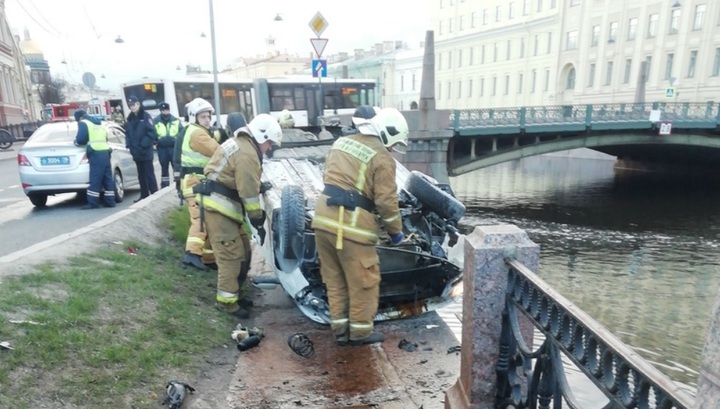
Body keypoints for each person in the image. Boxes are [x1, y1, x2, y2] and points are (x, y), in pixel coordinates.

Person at [311, 107, 409, 346]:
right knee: (363, 282)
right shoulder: (382, 157)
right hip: (351, 227)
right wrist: (396, 233)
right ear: (386, 133)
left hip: (323, 219)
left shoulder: (341, 143)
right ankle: (360, 334)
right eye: (393, 144)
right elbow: (386, 201)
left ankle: (340, 332)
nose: (392, 150)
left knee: (335, 280)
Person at [197, 113, 282, 318]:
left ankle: (235, 294)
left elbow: (241, 180)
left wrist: (257, 185)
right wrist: (257, 218)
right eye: (269, 143)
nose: (269, 148)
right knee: (231, 256)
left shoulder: (243, 145)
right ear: (261, 137)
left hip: (222, 205)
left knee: (244, 251)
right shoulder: (247, 154)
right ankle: (226, 303)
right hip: (218, 207)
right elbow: (248, 193)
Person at [179, 98, 222, 271]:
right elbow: (218, 150)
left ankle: (208, 258)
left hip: (196, 182)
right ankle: (192, 254)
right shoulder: (198, 134)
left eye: (208, 116)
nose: (207, 120)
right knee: (200, 219)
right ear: (194, 117)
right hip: (195, 182)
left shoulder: (196, 131)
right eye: (203, 116)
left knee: (208, 219)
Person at [73, 109, 116, 209]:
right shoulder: (98, 123)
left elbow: (81, 140)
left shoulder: (84, 123)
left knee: (95, 178)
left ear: (79, 118)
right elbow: (105, 138)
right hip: (105, 151)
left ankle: (93, 203)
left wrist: (76, 142)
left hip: (95, 152)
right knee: (107, 178)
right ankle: (110, 201)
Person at [125, 95, 158, 202]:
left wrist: (143, 144)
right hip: (136, 152)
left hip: (145, 151)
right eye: (130, 105)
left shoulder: (145, 116)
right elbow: (128, 134)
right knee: (141, 175)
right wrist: (129, 145)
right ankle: (144, 195)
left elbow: (152, 133)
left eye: (133, 104)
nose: (132, 107)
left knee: (149, 173)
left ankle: (154, 194)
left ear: (138, 104)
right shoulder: (130, 118)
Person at [153, 102, 184, 188]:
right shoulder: (156, 121)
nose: (165, 112)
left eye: (167, 110)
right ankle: (165, 185)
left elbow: (182, 132)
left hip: (174, 148)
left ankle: (178, 182)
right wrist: (156, 141)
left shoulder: (175, 120)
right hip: (162, 148)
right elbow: (152, 132)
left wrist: (176, 140)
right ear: (160, 111)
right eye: (163, 110)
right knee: (164, 167)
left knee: (176, 166)